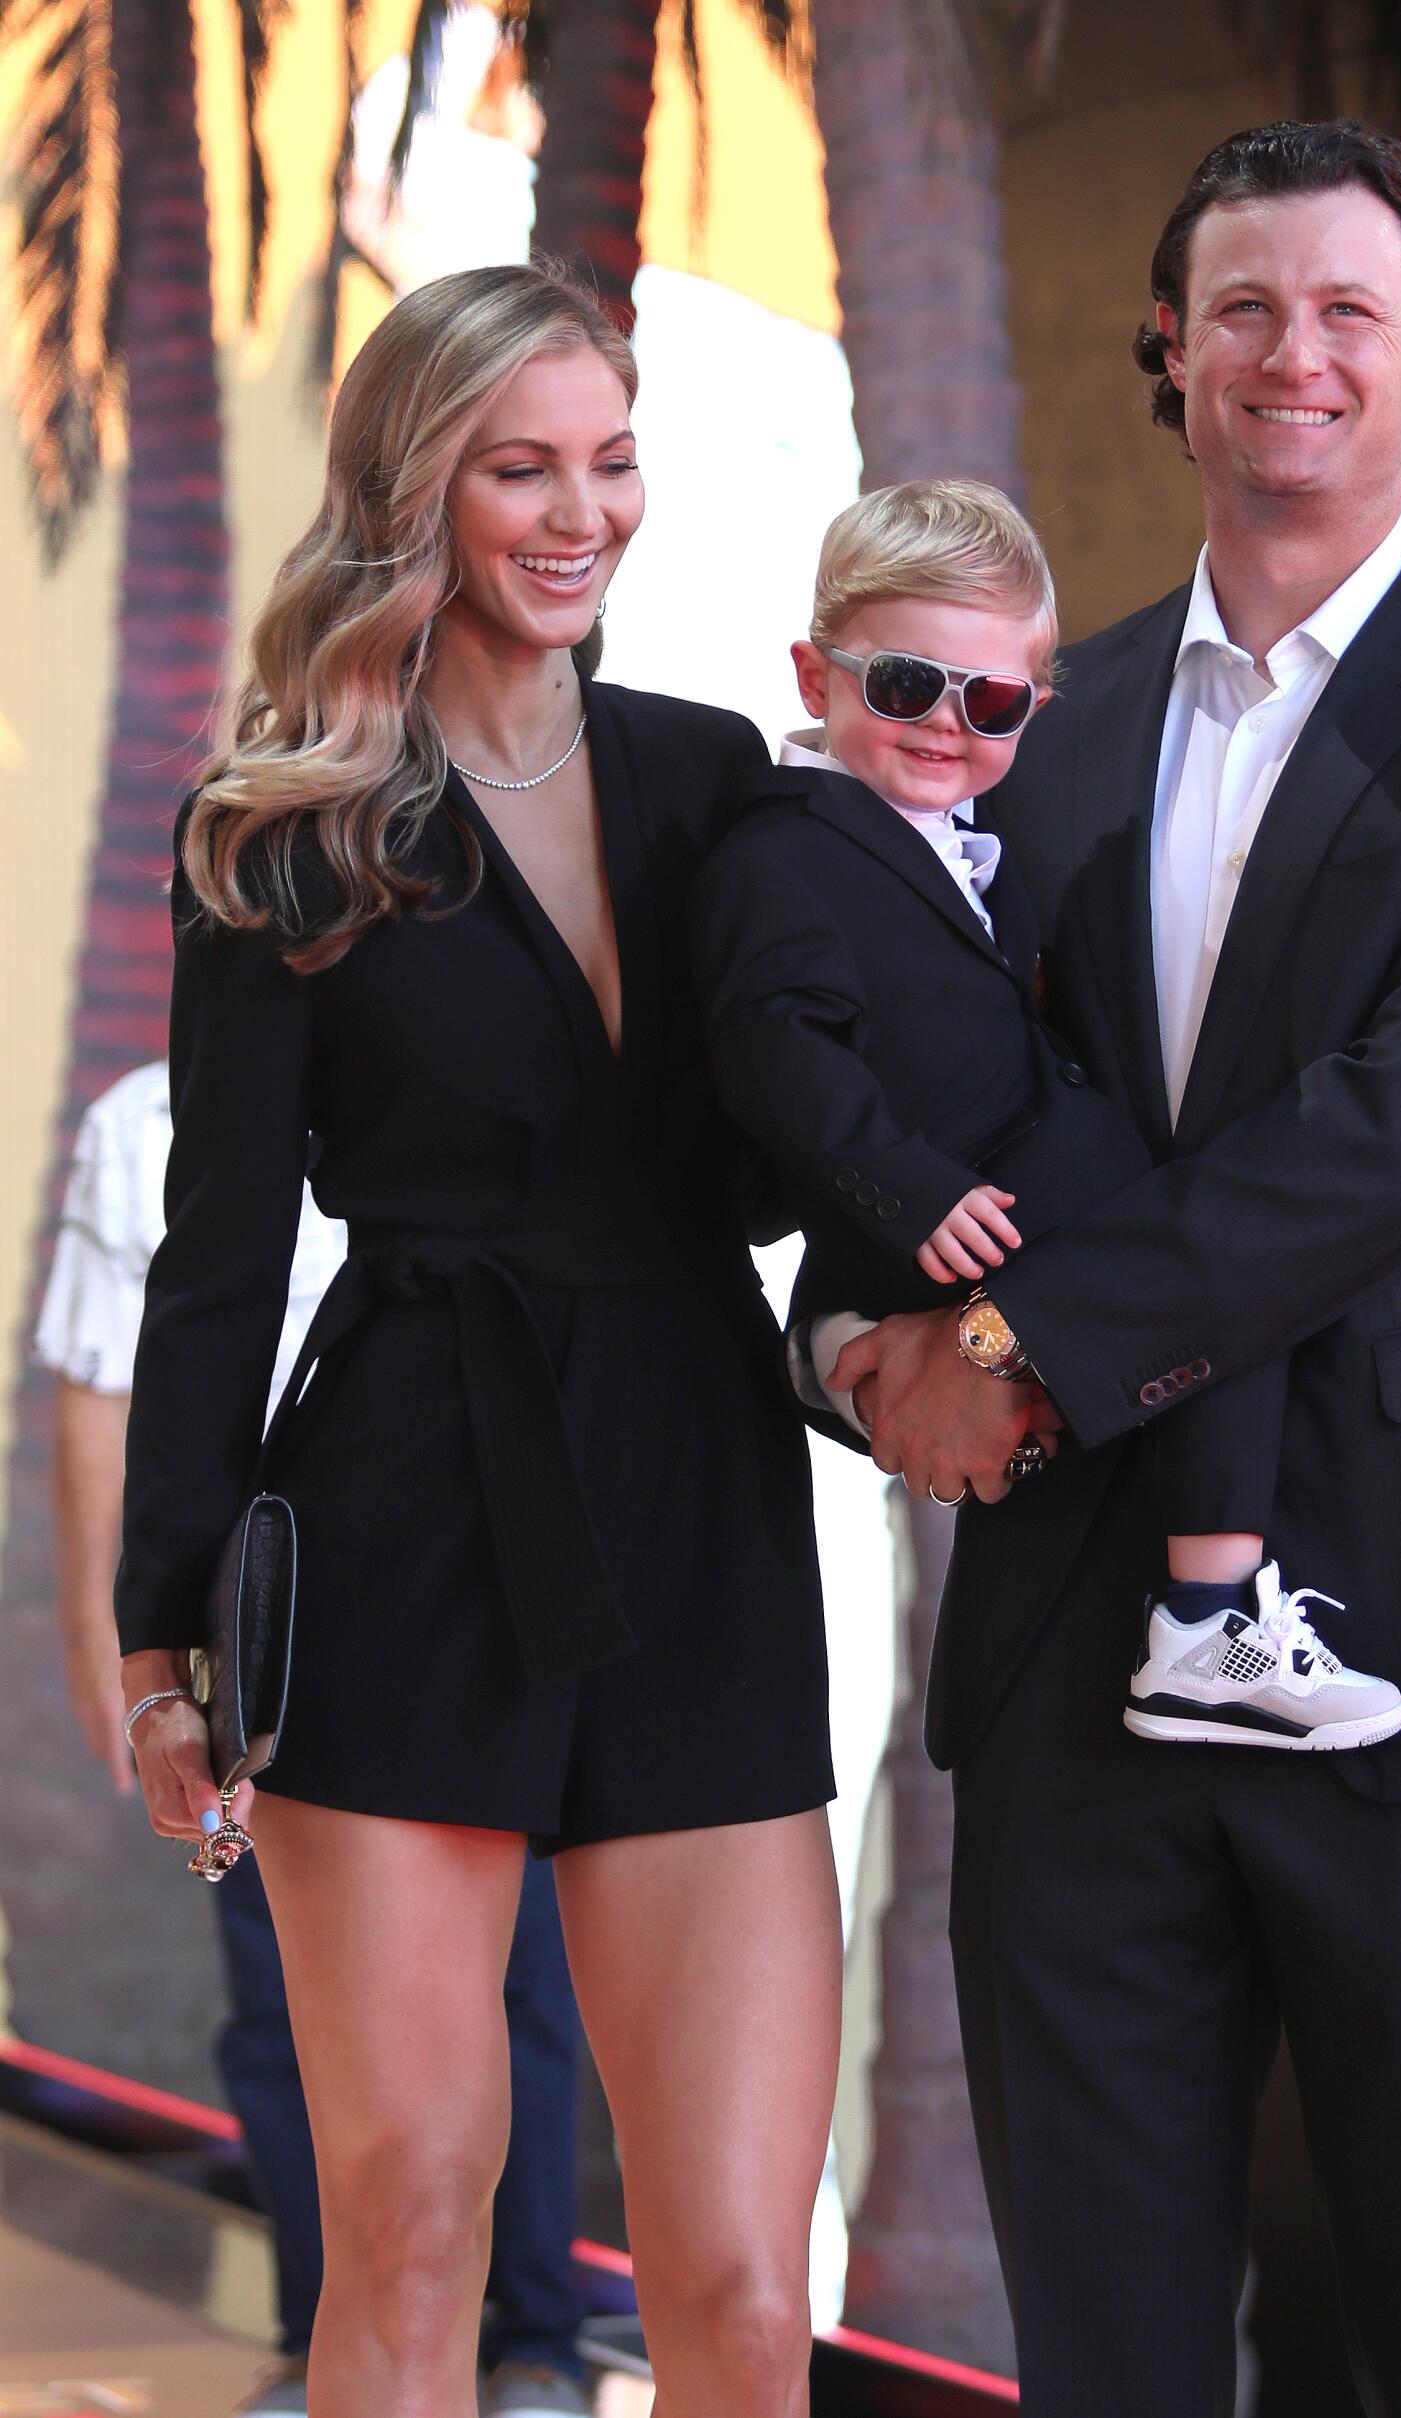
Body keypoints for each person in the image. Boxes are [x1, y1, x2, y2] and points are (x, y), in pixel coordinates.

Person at [818, 120, 1401, 2415]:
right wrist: (853, 1338)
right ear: (1169, 352)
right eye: (1237, 309)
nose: (1286, 353)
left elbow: (1396, 1133)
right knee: (1104, 2354)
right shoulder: (1034, 721)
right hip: (1071, 1644)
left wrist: (1016, 1341)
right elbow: (897, 1092)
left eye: (1339, 310)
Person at [115, 260, 839, 2418]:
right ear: (409, 490)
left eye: (609, 463)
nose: (577, 513)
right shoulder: (281, 822)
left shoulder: (725, 788)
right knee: (417, 2214)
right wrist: (166, 1635)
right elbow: (217, 1253)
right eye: (518, 466)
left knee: (723, 2269)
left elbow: (829, 1135)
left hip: (696, 1504)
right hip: (412, 1514)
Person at [695, 477, 1401, 1756]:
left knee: (1220, 1281)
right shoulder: (780, 851)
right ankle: (1206, 1621)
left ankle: (1205, 1599)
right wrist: (898, 1192)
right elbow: (773, 1050)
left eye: (994, 703)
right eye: (903, 685)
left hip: (1005, 1198)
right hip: (961, 1203)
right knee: (1228, 1276)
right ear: (815, 677)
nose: (943, 729)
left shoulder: (977, 839)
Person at [36, 1059, 590, 2418]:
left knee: (523, 1979)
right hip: (270, 1616)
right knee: (280, 1999)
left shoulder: (485, 1072)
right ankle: (313, 2329)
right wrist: (119, 1638)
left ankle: (537, 2341)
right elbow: (99, 1392)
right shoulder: (145, 1118)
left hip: (472, 1581)